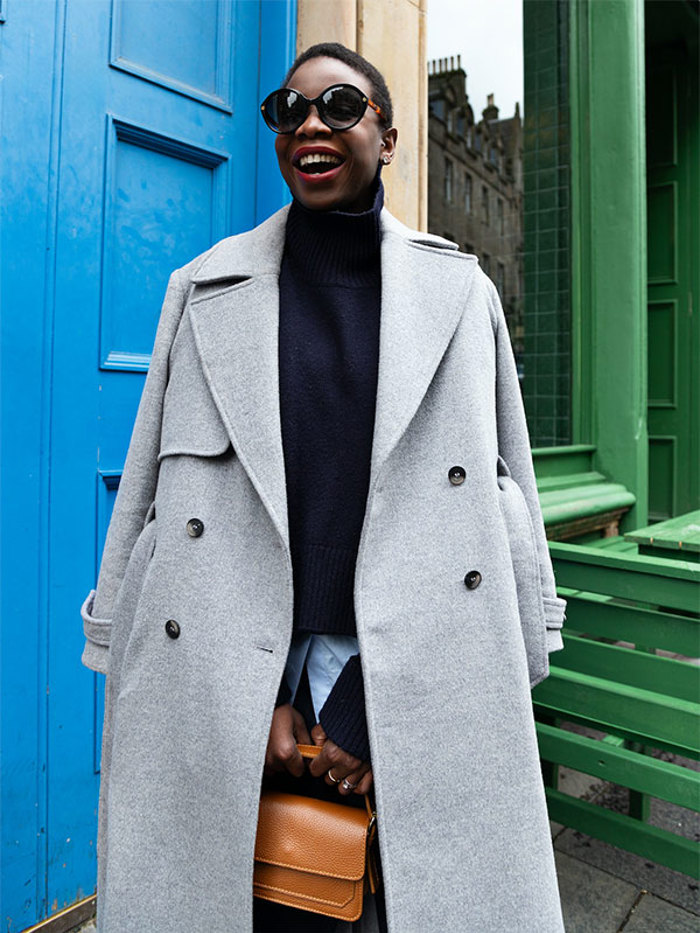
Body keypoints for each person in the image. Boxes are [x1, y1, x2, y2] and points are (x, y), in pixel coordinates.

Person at [80, 41, 567, 933]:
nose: (311, 123)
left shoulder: (462, 295)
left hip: (415, 672)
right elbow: (155, 487)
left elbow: (499, 498)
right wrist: (258, 695)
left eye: (341, 106)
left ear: (387, 137)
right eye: (289, 109)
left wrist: (362, 705)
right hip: (230, 675)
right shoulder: (202, 288)